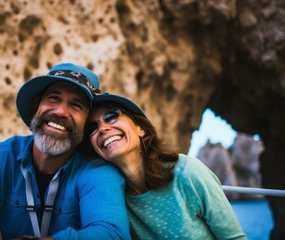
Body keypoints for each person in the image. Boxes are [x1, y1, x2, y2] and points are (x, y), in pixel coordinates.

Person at [0, 63, 131, 240]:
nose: (60, 111)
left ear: (86, 125)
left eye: (76, 105)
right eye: (53, 98)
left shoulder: (97, 170)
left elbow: (111, 233)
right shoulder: (0, 158)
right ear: (36, 108)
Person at [86, 92, 247, 239]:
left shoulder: (187, 172)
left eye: (111, 116)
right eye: (93, 127)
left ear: (140, 128)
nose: (102, 128)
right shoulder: (109, 197)